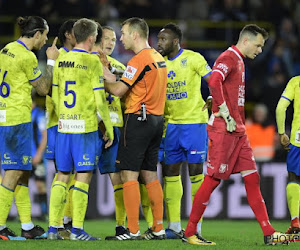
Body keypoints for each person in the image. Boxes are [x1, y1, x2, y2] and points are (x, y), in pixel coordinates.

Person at [184, 24, 291, 246]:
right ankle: (190, 232)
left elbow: (223, 88)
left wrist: (221, 104)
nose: (260, 50)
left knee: (252, 177)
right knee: (212, 179)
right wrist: (222, 110)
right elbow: (214, 80)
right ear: (246, 41)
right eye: (259, 45)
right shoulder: (229, 57)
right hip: (224, 129)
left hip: (238, 130)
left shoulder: (240, 61)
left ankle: (268, 232)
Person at [48, 18, 113, 241]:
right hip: (84, 128)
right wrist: (109, 127)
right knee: (83, 177)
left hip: (64, 126)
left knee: (61, 176)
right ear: (92, 37)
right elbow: (100, 99)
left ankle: (52, 228)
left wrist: (64, 118)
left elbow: (55, 95)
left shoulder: (62, 60)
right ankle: (76, 230)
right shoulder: (92, 62)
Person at [103, 17, 167, 240]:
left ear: (135, 35)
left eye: (123, 33)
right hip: (156, 121)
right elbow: (140, 83)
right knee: (150, 173)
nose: (121, 38)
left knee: (127, 173)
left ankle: (131, 230)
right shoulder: (158, 58)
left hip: (137, 120)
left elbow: (119, 91)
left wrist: (100, 78)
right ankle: (158, 228)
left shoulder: (138, 60)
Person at [0, 15, 59, 240]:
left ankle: (27, 226)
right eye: (44, 35)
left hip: (5, 115)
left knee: (22, 173)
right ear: (36, 34)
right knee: (14, 173)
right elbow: (44, 89)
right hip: (17, 119)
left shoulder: (6, 49)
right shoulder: (28, 57)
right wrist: (51, 61)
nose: (45, 40)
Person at [157, 22, 212, 239]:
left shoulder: (193, 58)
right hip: (170, 125)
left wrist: (212, 96)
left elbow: (213, 79)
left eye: (163, 39)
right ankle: (174, 226)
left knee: (196, 173)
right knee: (170, 173)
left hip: (194, 122)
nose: (159, 43)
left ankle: (195, 227)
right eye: (158, 39)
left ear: (176, 41)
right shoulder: (158, 62)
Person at [91, 25, 127, 238]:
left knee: (117, 178)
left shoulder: (119, 66)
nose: (112, 43)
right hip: (91, 125)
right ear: (96, 39)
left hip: (115, 125)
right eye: (107, 38)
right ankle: (65, 224)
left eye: (114, 39)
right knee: (77, 175)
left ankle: (120, 226)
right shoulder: (87, 62)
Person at [45, 19, 76, 239]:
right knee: (63, 173)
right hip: (58, 122)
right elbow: (46, 88)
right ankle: (56, 224)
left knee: (74, 175)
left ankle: (66, 222)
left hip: (77, 122)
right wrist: (50, 61)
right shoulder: (58, 56)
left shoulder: (83, 56)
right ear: (67, 34)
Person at [276, 76, 300, 234]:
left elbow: (280, 108)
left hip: (298, 138)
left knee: (294, 178)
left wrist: (281, 132)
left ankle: (295, 221)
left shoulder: (296, 81)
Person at [31, 92, 48, 221]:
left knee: (40, 184)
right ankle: (23, 215)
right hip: (25, 155)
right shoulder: (23, 114)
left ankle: (44, 213)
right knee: (20, 183)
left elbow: (44, 136)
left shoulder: (39, 114)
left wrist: (38, 154)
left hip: (37, 156)